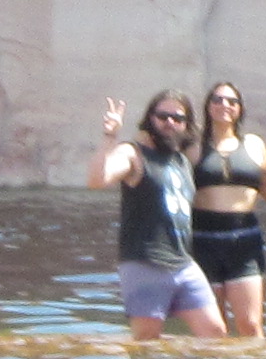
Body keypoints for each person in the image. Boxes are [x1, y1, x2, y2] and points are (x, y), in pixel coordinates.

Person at [91, 90, 226, 340]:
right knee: (146, 344)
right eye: (162, 116)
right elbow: (99, 179)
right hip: (145, 263)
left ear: (186, 124)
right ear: (150, 119)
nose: (170, 123)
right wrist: (109, 136)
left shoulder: (181, 161)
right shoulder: (134, 154)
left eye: (177, 118)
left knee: (215, 333)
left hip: (183, 263)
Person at [187, 80, 266, 338]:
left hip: (245, 241)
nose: (225, 105)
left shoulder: (255, 145)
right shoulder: (192, 148)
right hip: (203, 240)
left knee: (251, 324)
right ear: (208, 107)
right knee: (213, 328)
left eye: (232, 101)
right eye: (218, 100)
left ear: (240, 109)